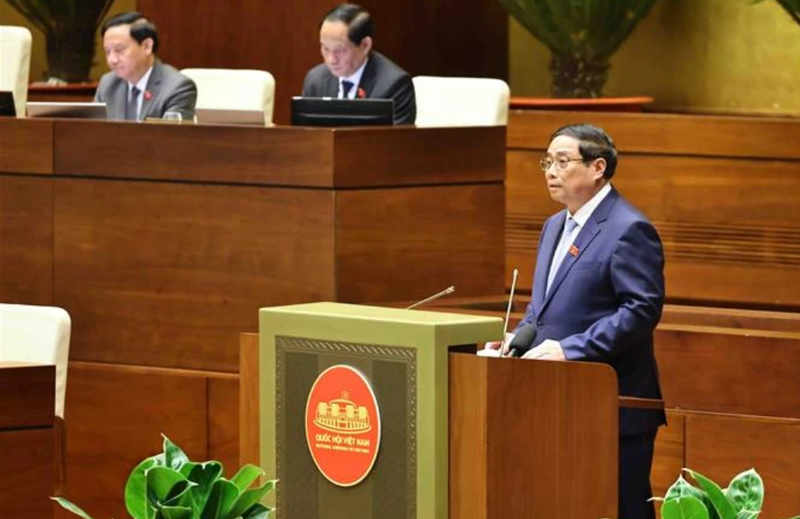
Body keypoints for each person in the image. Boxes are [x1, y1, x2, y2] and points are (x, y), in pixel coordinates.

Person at [488, 124, 666, 519]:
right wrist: (518, 339)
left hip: (612, 403)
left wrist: (571, 349)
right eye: (546, 162)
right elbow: (544, 306)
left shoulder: (628, 228)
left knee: (622, 507)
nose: (551, 170)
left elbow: (641, 311)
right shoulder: (554, 225)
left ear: (598, 167)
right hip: (558, 400)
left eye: (562, 161)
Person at [302, 3, 416, 125]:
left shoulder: (394, 85)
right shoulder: (315, 80)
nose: (331, 60)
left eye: (340, 50)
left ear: (365, 45)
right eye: (325, 48)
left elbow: (396, 141)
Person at [96, 12, 197, 121]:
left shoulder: (177, 87)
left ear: (147, 46)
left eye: (119, 50)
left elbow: (173, 136)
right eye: (107, 52)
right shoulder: (108, 84)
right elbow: (93, 130)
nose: (112, 59)